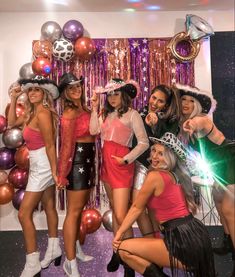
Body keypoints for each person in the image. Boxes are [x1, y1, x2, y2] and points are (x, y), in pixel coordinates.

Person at [113, 132, 215, 277]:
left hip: (180, 239)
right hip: (193, 235)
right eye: (154, 150)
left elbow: (137, 207)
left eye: (161, 154)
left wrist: (119, 233)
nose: (154, 156)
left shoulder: (154, 176)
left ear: (169, 157)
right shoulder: (172, 175)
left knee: (123, 249)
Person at [90, 78, 149, 276]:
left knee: (122, 216)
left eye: (116, 93)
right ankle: (118, 252)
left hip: (122, 167)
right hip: (106, 167)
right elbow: (93, 131)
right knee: (115, 211)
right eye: (110, 94)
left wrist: (126, 159)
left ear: (124, 95)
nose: (112, 98)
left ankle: (129, 261)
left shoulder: (133, 115)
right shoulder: (105, 113)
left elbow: (143, 143)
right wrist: (94, 108)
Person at [176, 84, 235, 276]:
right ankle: (228, 242)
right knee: (219, 203)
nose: (185, 103)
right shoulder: (185, 121)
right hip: (218, 164)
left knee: (229, 210)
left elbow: (197, 125)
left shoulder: (201, 119)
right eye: (183, 99)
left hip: (229, 161)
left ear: (198, 105)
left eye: (190, 100)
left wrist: (190, 125)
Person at [7, 76, 61, 277]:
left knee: (23, 214)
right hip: (37, 163)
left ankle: (32, 262)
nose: (32, 93)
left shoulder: (44, 113)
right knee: (48, 206)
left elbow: (49, 145)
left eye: (37, 90)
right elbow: (12, 122)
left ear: (44, 93)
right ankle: (54, 248)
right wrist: (14, 99)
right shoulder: (32, 112)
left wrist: (55, 172)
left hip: (44, 165)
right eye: (30, 91)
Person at [57, 73, 96, 277]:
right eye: (70, 88)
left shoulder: (85, 108)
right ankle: (69, 262)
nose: (76, 90)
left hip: (88, 161)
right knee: (73, 212)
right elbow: (65, 147)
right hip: (77, 162)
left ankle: (76, 250)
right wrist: (62, 175)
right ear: (64, 93)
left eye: (78, 86)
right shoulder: (70, 113)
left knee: (79, 210)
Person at [132, 84, 180, 238]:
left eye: (160, 101)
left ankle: (160, 243)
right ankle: (149, 241)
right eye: (154, 98)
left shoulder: (170, 120)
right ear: (150, 95)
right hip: (140, 166)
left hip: (159, 170)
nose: (155, 103)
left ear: (166, 105)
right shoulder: (139, 114)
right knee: (137, 206)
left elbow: (166, 146)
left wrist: (156, 124)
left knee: (154, 209)